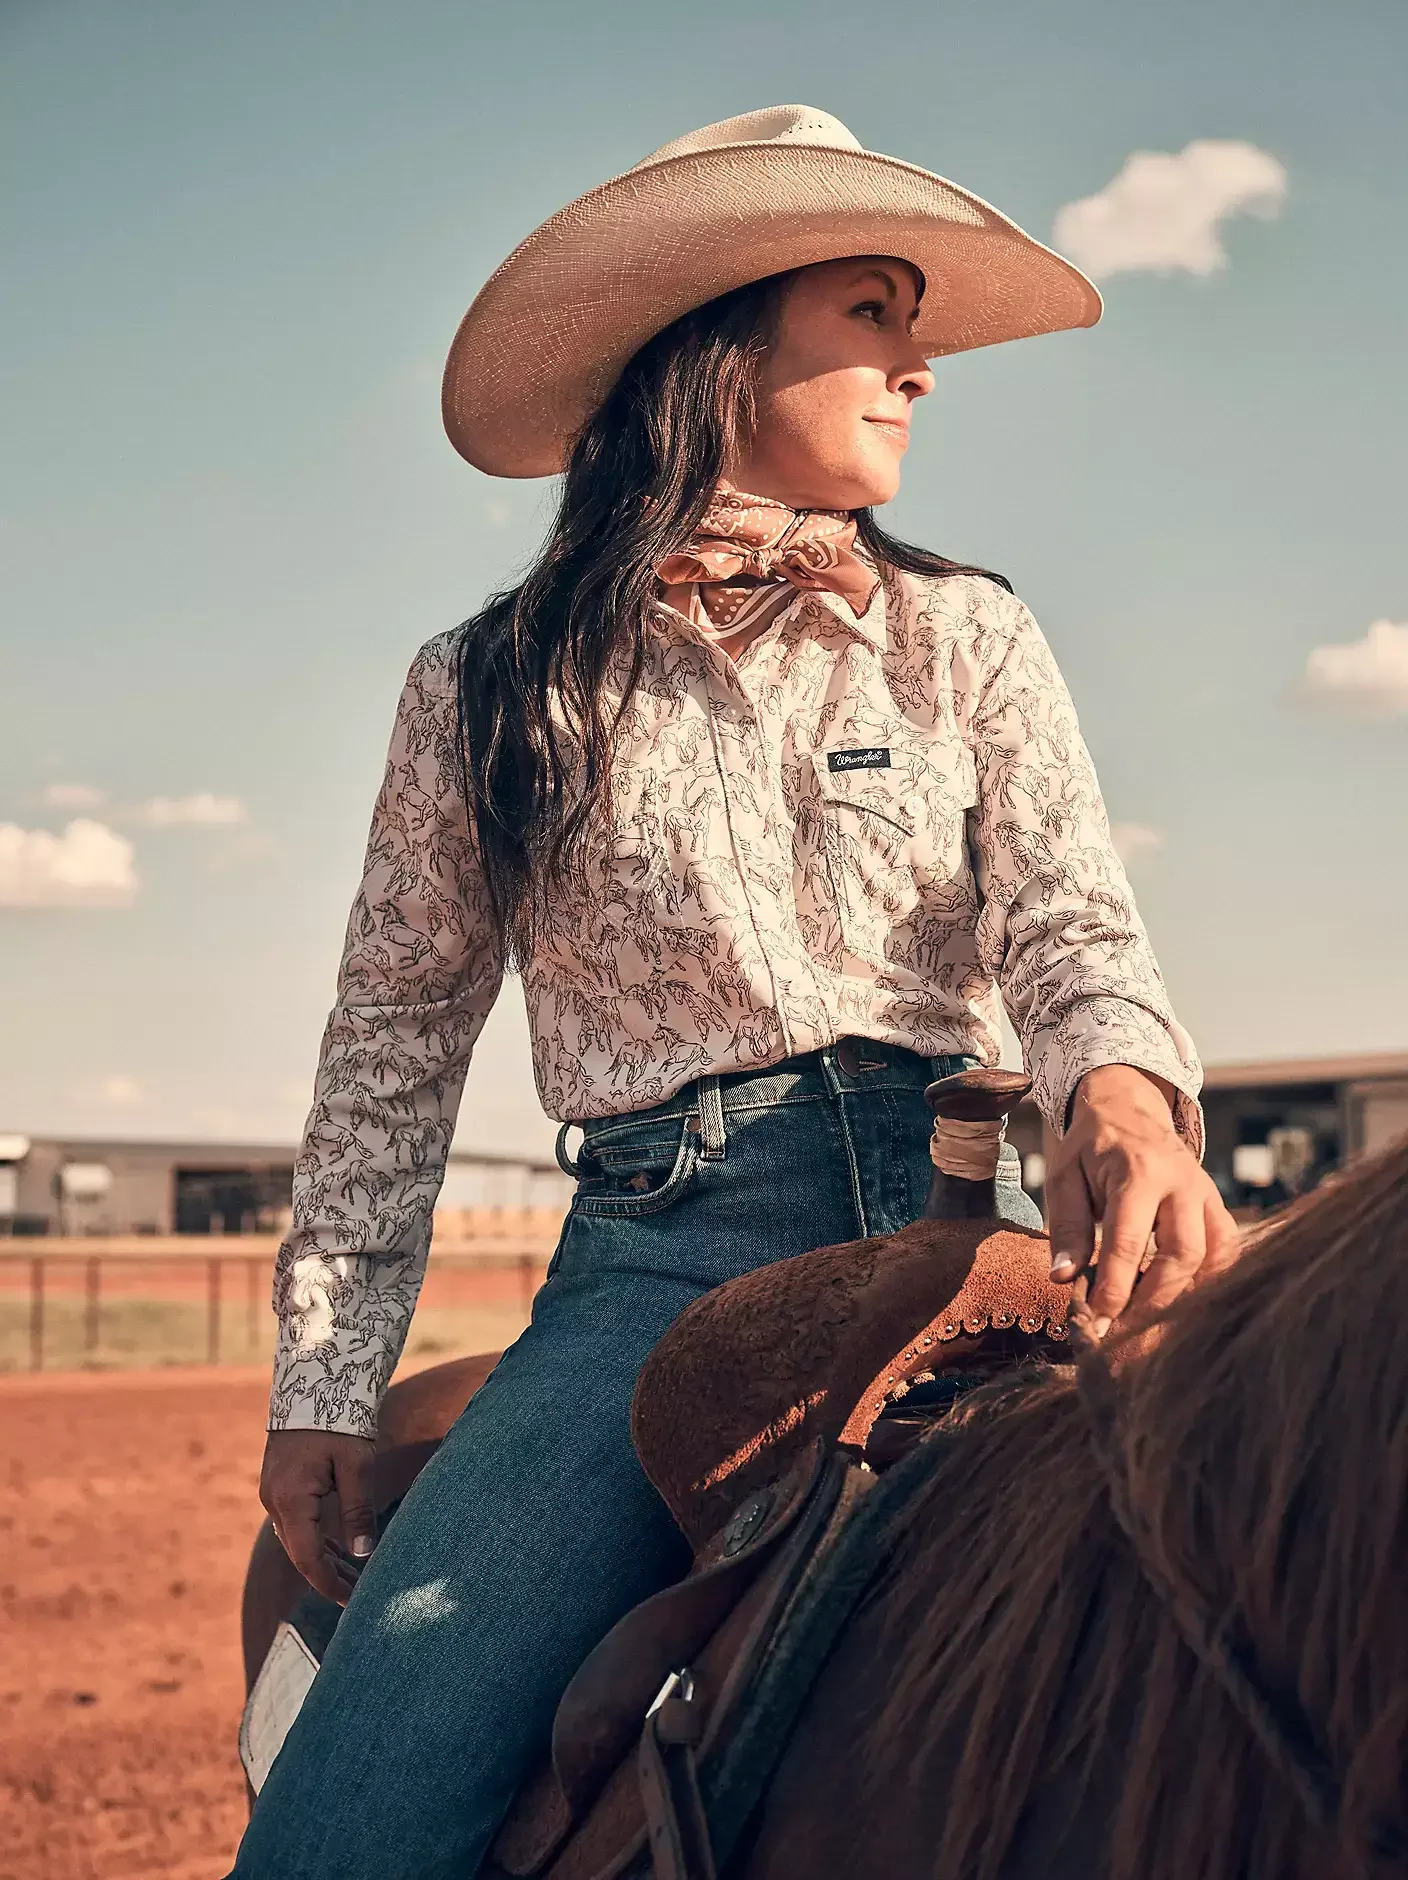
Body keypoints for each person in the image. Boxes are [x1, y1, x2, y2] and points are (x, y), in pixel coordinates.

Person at [231, 105, 1237, 1879]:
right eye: (873, 312)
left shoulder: (971, 633)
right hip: (657, 1269)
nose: (920, 366)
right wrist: (330, 1378)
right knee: (347, 1831)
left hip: (965, 1235)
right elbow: (393, 1041)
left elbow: (1074, 929)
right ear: (715, 342)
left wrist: (1126, 1101)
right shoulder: (487, 687)